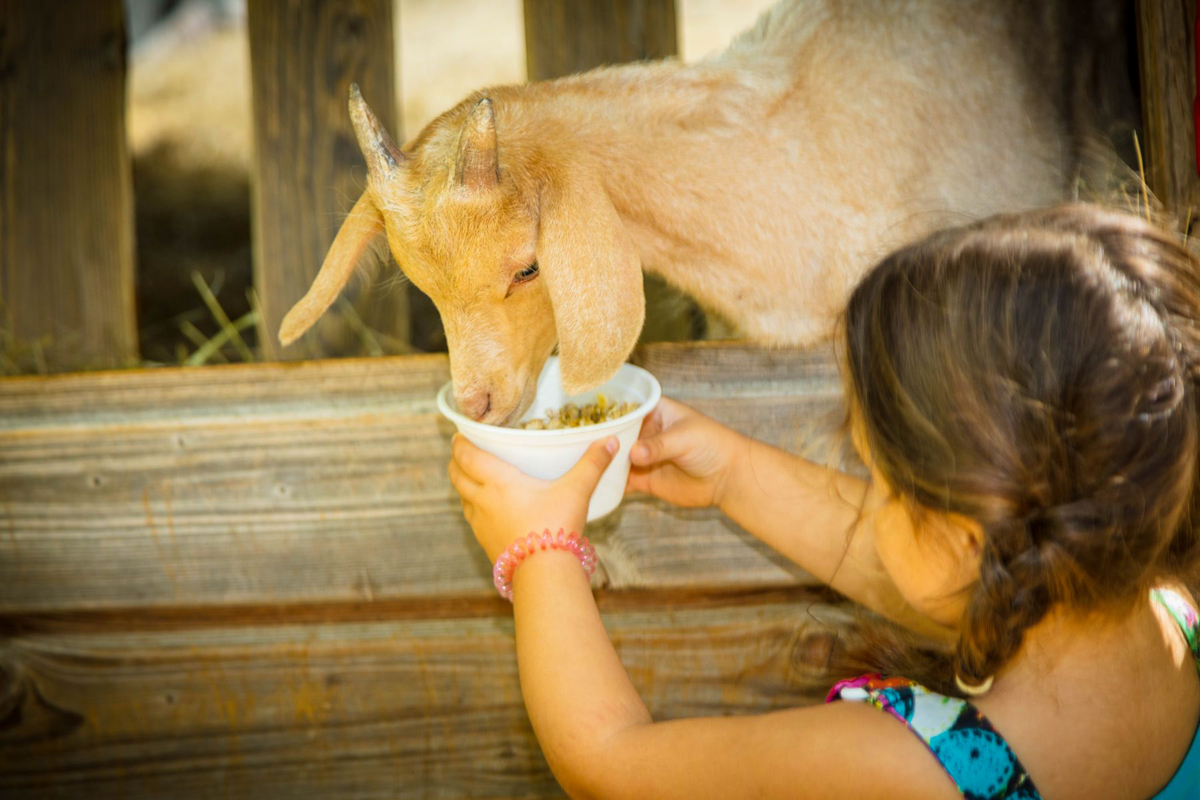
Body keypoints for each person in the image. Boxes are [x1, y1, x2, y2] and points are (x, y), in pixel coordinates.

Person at [447, 204, 1200, 799]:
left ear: (970, 539)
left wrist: (541, 552)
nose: (872, 499)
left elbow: (608, 766)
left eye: (883, 482)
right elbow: (929, 569)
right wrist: (732, 475)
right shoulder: (1165, 606)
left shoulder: (918, 770)